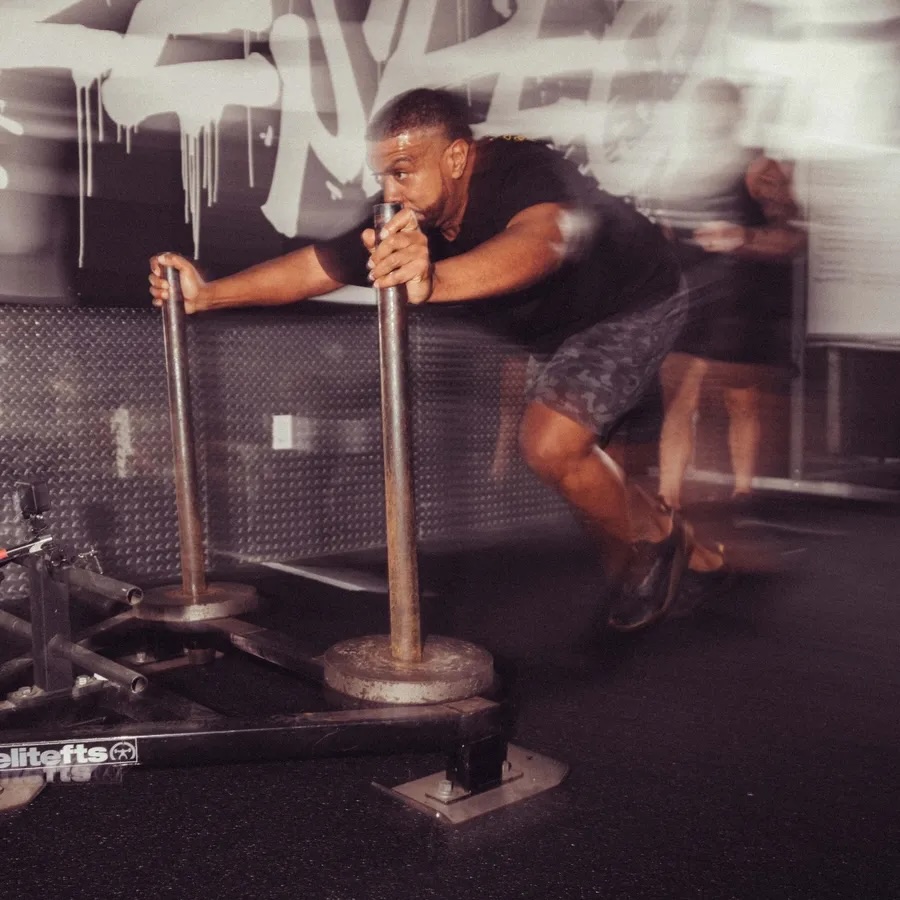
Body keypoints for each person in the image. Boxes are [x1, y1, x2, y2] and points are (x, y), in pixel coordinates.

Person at [149, 87, 689, 632]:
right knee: (585, 471)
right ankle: (685, 552)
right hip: (561, 330)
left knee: (551, 445)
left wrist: (435, 281)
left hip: (633, 301)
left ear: (455, 158)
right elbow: (317, 267)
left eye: (403, 172)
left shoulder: (523, 166)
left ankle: (658, 542)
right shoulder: (411, 215)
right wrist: (208, 296)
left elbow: (542, 241)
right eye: (382, 175)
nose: (389, 191)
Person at [643, 79, 805, 582]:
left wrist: (742, 237)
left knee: (741, 403)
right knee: (679, 402)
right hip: (689, 300)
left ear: (735, 113)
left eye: (719, 108)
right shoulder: (678, 166)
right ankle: (669, 506)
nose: (708, 117)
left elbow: (792, 237)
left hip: (739, 305)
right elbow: (662, 232)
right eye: (702, 108)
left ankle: (741, 497)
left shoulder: (759, 168)